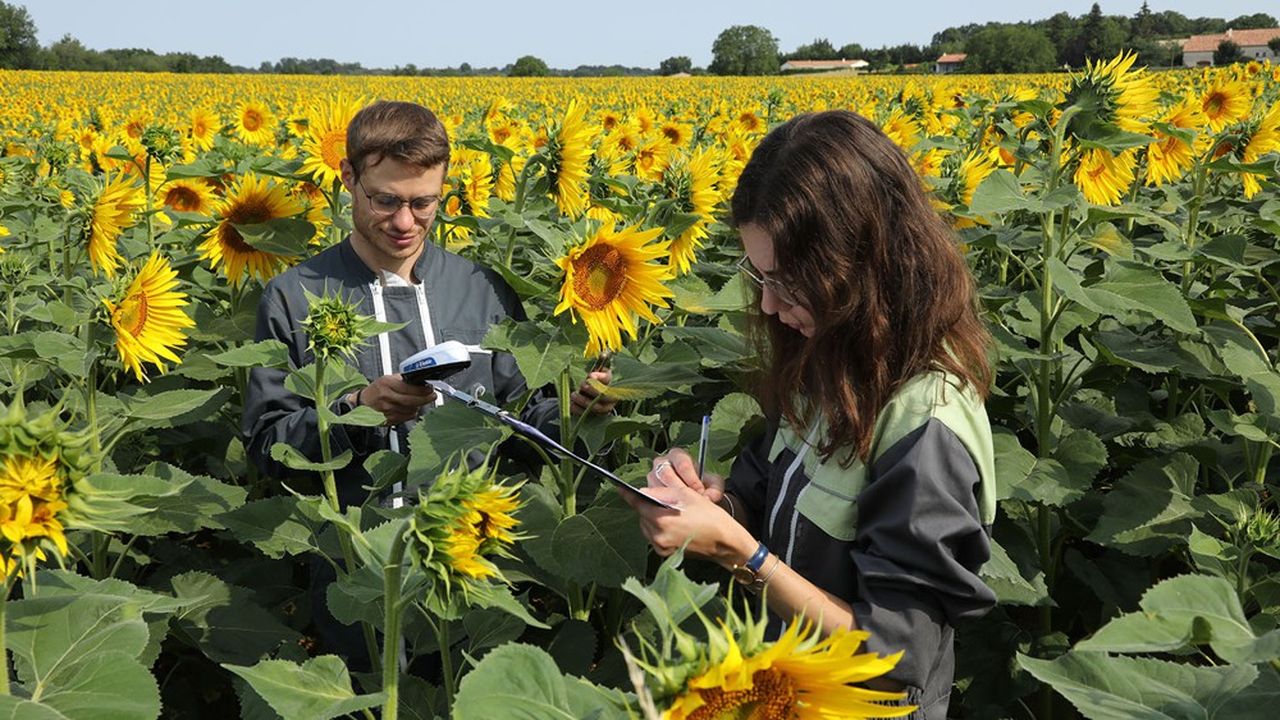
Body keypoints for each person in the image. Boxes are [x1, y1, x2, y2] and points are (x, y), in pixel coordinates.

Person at [624, 110, 997, 719]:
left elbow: (895, 654)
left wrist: (739, 555)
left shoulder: (924, 423)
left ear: (861, 264)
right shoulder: (824, 361)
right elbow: (762, 490)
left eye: (790, 282)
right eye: (759, 277)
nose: (769, 305)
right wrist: (714, 503)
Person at [242, 100, 614, 507]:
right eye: (385, 201)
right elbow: (267, 446)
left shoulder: (481, 288)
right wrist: (355, 410)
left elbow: (525, 422)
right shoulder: (295, 296)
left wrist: (577, 411)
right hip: (355, 550)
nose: (405, 223)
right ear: (348, 177)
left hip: (470, 540)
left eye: (423, 203)